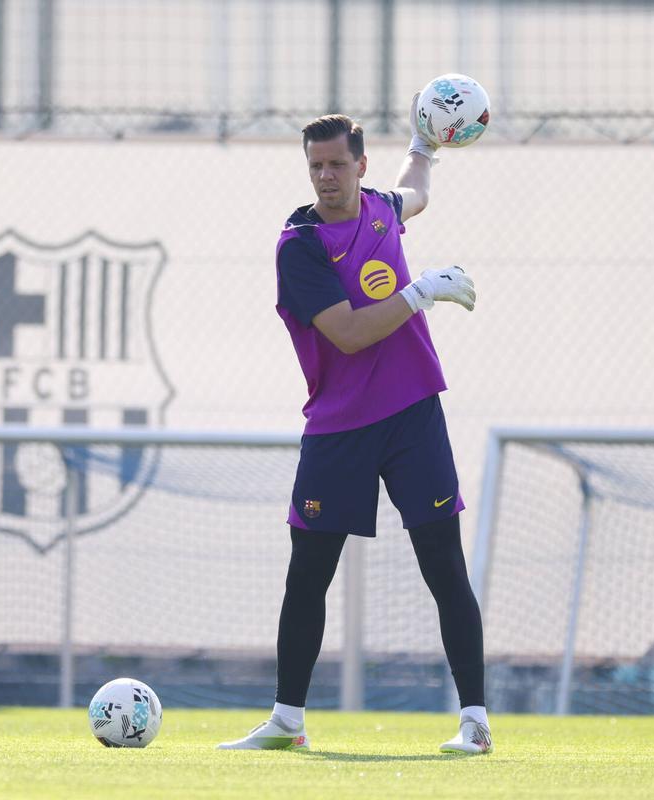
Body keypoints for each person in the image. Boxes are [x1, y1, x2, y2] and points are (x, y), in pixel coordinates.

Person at [217, 105, 491, 755]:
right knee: (308, 572)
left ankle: (475, 721)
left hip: (411, 413)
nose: (327, 176)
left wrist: (426, 143)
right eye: (316, 166)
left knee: (444, 566)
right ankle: (288, 718)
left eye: (338, 163)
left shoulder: (379, 207)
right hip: (339, 426)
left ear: (360, 165)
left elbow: (413, 191)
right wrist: (424, 290)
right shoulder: (300, 246)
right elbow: (349, 332)